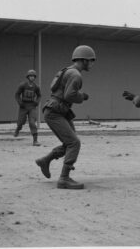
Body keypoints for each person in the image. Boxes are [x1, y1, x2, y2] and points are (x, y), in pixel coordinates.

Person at [35, 45, 96, 189]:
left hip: (58, 110)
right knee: (74, 143)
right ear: (83, 60)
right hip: (56, 111)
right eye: (91, 60)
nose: (92, 64)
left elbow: (54, 89)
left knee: (70, 142)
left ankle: (45, 160)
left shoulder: (66, 70)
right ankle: (64, 178)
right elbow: (69, 95)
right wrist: (82, 96)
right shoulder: (76, 75)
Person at [14, 69, 41, 146]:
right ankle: (18, 129)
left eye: (33, 76)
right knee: (21, 121)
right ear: (28, 77)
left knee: (32, 123)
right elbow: (17, 95)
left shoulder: (36, 87)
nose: (32, 77)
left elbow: (39, 95)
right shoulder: (23, 85)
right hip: (23, 106)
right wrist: (20, 102)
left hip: (32, 106)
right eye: (30, 76)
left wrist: (37, 102)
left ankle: (35, 140)